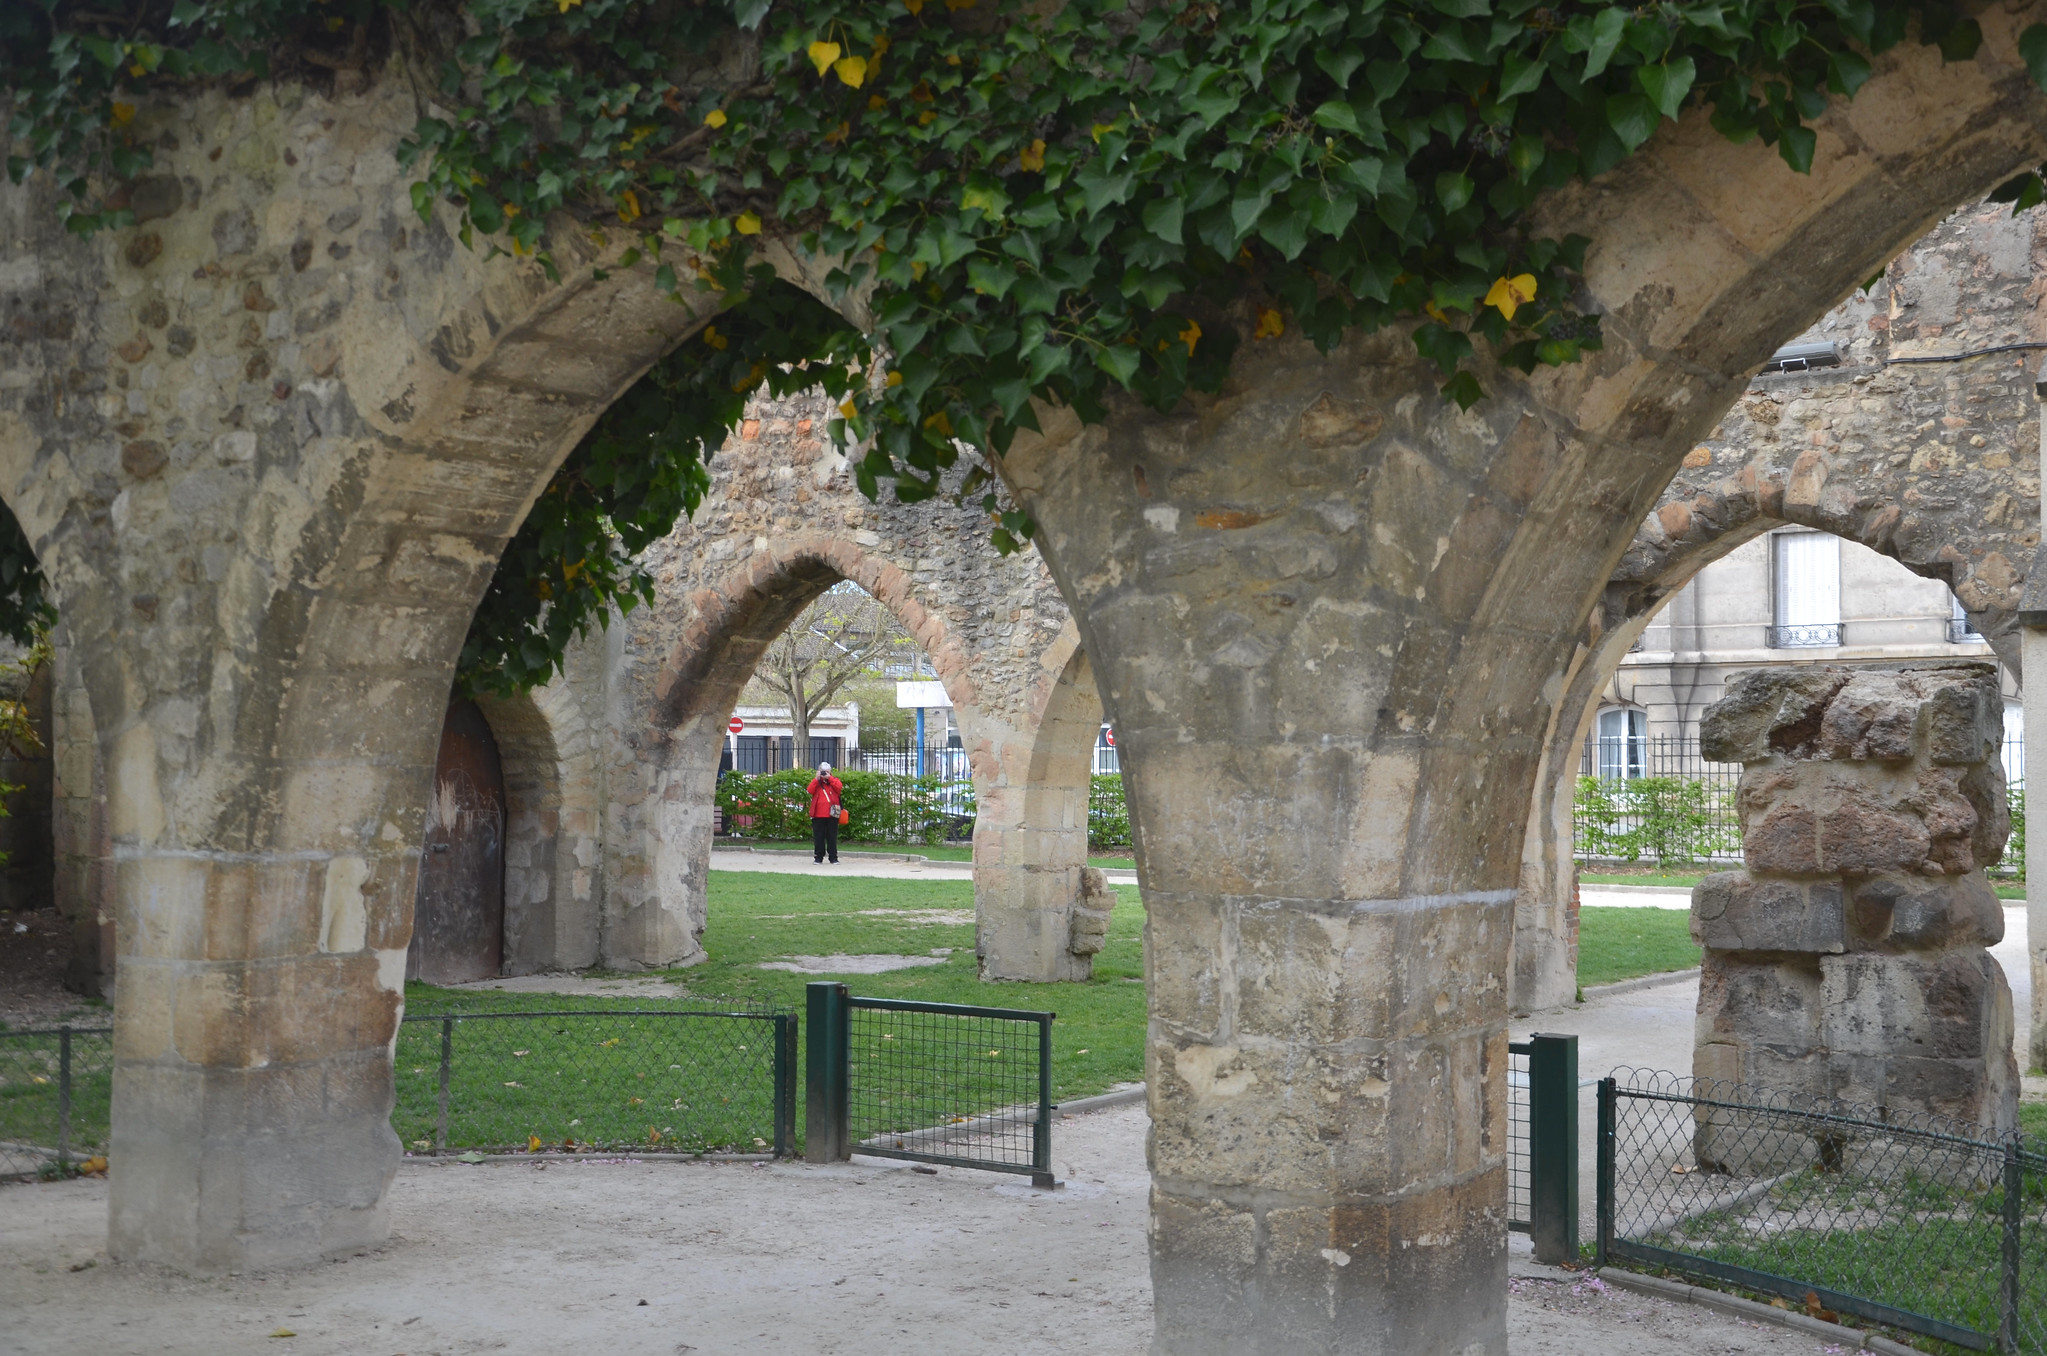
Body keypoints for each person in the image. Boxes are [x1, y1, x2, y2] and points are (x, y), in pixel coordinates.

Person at [807, 761, 843, 864]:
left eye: (827, 772)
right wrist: (816, 779)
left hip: (832, 814)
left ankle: (833, 857)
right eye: (823, 772)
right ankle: (818, 857)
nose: (825, 774)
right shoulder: (817, 782)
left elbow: (839, 787)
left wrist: (829, 778)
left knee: (832, 837)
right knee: (819, 837)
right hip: (818, 814)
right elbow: (810, 790)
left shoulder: (834, 781)